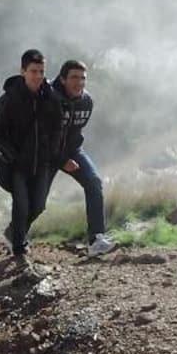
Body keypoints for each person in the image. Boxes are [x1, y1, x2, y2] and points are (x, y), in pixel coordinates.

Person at [0, 49, 64, 271]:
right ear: (23, 71)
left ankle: (14, 232)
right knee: (21, 205)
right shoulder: (9, 98)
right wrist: (12, 155)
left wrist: (52, 152)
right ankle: (19, 250)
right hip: (17, 165)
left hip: (42, 163)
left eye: (41, 71)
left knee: (38, 205)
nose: (38, 76)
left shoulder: (51, 97)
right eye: (33, 71)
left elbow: (58, 127)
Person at [53, 60, 117, 258]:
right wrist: (61, 160)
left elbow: (75, 132)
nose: (79, 82)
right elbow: (43, 137)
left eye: (83, 78)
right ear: (63, 79)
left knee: (94, 182)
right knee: (36, 201)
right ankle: (15, 235)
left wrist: (70, 155)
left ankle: (96, 240)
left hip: (72, 150)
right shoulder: (49, 99)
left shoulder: (86, 101)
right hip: (46, 153)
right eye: (73, 77)